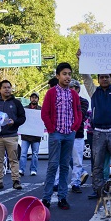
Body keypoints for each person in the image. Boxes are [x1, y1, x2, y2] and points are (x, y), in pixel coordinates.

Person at [78, 47, 111, 199]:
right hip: (98, 133)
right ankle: (98, 190)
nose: (104, 79)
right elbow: (85, 76)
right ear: (98, 79)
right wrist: (80, 59)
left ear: (110, 78)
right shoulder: (93, 91)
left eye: (107, 77)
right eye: (101, 77)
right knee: (97, 165)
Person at [41, 62, 82, 210]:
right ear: (58, 76)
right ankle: (46, 198)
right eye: (64, 74)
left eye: (69, 74)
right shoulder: (51, 93)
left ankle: (62, 198)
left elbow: (78, 113)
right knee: (53, 166)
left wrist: (74, 128)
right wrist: (52, 129)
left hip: (69, 134)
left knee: (65, 166)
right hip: (56, 134)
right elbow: (44, 113)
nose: (67, 77)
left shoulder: (73, 94)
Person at [0, 80, 26, 190]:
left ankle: (16, 181)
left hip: (12, 135)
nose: (7, 89)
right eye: (4, 87)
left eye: (9, 87)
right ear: (0, 89)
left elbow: (23, 118)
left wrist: (14, 122)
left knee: (13, 159)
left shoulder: (16, 103)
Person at [69, 79, 89, 193]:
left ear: (78, 89)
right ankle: (57, 182)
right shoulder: (63, 100)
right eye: (70, 88)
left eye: (74, 88)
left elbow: (80, 115)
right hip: (65, 133)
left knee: (77, 160)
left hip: (78, 134)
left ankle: (76, 182)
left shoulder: (84, 101)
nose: (72, 90)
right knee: (62, 160)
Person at [19, 92, 41, 177]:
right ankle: (21, 169)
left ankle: (33, 170)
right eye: (32, 97)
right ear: (30, 99)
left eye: (35, 97)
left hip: (36, 136)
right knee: (23, 153)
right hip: (26, 135)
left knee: (35, 154)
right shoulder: (25, 109)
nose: (34, 99)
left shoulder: (40, 110)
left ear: (38, 99)